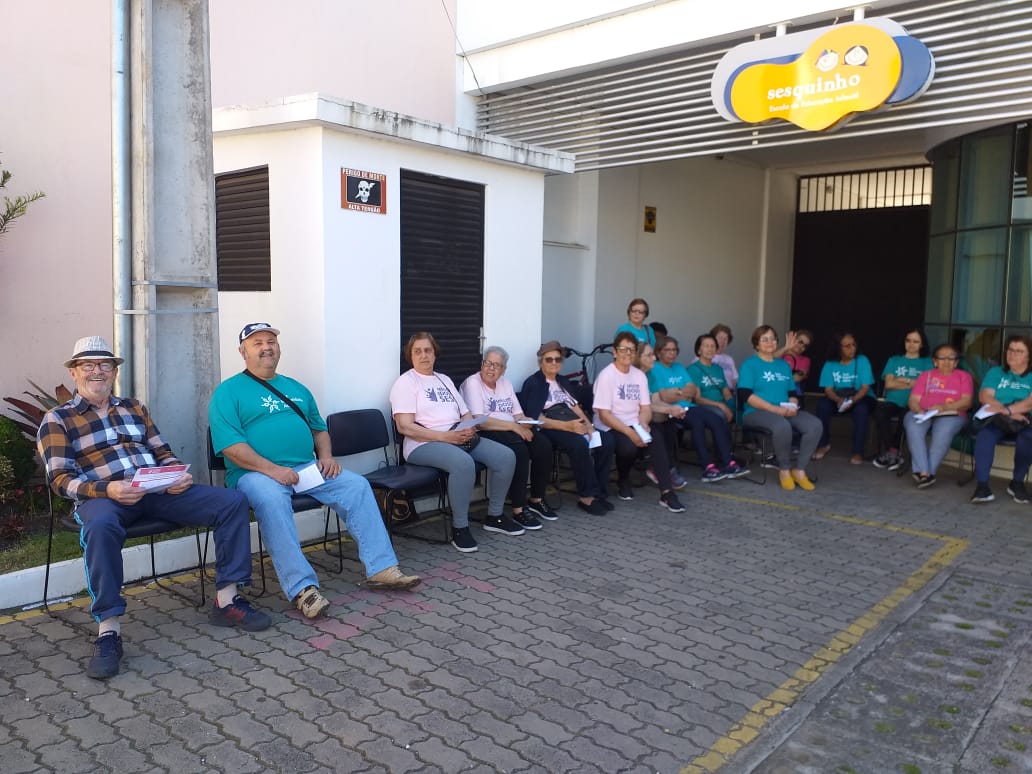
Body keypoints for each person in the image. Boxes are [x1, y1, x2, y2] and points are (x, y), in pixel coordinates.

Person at [37, 336, 271, 680]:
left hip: (156, 490)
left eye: (105, 364)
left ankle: (227, 601)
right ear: (74, 373)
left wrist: (176, 474)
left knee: (231, 502)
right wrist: (108, 489)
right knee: (100, 527)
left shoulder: (134, 407)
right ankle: (108, 631)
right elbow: (60, 479)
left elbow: (162, 451)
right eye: (88, 365)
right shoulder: (58, 419)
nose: (97, 371)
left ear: (114, 371)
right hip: (103, 498)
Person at [209, 323, 421, 621]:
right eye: (257, 343)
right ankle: (302, 589)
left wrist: (326, 456)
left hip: (304, 469)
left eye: (271, 341)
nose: (266, 347)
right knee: (272, 500)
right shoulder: (227, 392)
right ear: (243, 352)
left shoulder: (296, 388)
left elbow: (319, 430)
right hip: (255, 474)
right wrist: (273, 470)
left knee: (356, 485)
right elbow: (231, 446)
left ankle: (382, 568)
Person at [390, 332, 518, 552]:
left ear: (435, 353)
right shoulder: (406, 382)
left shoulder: (444, 379)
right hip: (423, 444)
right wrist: (444, 437)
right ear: (410, 355)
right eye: (417, 351)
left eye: (428, 350)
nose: (423, 355)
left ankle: (495, 516)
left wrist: (467, 428)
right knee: (463, 463)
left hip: (456, 437)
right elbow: (405, 427)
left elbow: (465, 412)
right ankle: (460, 528)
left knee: (506, 456)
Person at [460, 345, 558, 527]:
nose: (491, 369)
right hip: (487, 430)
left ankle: (536, 499)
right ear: (482, 364)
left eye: (496, 365)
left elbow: (517, 414)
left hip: (511, 428)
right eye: (487, 363)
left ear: (503, 370)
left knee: (543, 445)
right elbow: (479, 421)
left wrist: (526, 421)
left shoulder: (505, 384)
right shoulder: (472, 383)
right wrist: (514, 427)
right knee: (520, 451)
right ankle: (519, 509)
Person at [521, 340, 615, 516]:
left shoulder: (562, 381)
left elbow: (575, 407)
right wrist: (567, 426)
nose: (554, 363)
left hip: (572, 422)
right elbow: (535, 418)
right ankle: (586, 496)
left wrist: (588, 425)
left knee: (606, 440)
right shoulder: (534, 383)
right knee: (578, 444)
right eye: (549, 359)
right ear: (541, 362)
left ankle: (599, 493)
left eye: (557, 359)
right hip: (551, 426)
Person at [649, 335, 746, 483]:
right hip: (672, 410)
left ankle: (728, 463)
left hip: (689, 407)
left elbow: (692, 391)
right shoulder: (655, 369)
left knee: (716, 419)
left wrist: (677, 392)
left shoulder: (679, 367)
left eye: (674, 350)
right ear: (658, 352)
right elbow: (665, 397)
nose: (672, 353)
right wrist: (683, 393)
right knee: (698, 423)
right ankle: (707, 467)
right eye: (667, 350)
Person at [738, 325, 822, 491]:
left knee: (814, 425)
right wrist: (774, 409)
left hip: (784, 410)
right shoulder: (750, 364)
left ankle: (799, 470)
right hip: (756, 412)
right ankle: (784, 470)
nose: (770, 342)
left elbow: (792, 392)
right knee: (781, 425)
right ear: (756, 344)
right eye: (765, 339)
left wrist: (793, 405)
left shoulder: (783, 365)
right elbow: (745, 395)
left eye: (773, 338)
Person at [593, 331, 655, 502]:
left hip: (634, 421)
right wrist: (630, 433)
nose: (628, 353)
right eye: (623, 349)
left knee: (657, 436)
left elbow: (646, 407)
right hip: (610, 424)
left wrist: (643, 423)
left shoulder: (639, 375)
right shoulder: (607, 376)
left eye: (632, 350)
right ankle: (624, 479)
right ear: (614, 352)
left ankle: (666, 485)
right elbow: (604, 415)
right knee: (628, 446)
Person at [970, 334, 1032, 504]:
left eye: (1019, 351)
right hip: (998, 418)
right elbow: (985, 396)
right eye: (1010, 350)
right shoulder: (996, 372)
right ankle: (982, 486)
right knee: (985, 436)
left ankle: (1017, 483)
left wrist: (1010, 410)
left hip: (1024, 419)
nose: (1012, 354)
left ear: (1029, 356)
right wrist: (1007, 412)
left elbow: (1029, 402)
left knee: (1028, 438)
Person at [902, 343, 973, 489]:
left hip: (952, 414)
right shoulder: (925, 376)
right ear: (935, 361)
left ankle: (925, 473)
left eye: (951, 358)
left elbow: (967, 402)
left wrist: (944, 407)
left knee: (942, 432)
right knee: (913, 426)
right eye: (942, 358)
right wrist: (919, 410)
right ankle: (925, 473)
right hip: (924, 412)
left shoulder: (964, 377)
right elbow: (913, 400)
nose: (947, 361)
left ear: (956, 362)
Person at [631, 341, 686, 512]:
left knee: (669, 424)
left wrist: (673, 409)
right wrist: (669, 409)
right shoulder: (631, 376)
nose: (654, 358)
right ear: (638, 358)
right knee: (657, 434)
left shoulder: (651, 374)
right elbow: (642, 406)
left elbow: (654, 401)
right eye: (649, 355)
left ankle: (664, 469)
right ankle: (666, 489)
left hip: (646, 417)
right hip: (631, 419)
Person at [873, 329, 932, 470]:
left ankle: (892, 453)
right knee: (880, 413)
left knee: (904, 417)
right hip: (893, 401)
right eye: (908, 340)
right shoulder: (894, 360)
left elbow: (927, 386)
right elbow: (889, 384)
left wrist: (901, 380)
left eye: (916, 341)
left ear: (922, 344)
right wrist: (912, 382)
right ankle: (893, 451)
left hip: (915, 403)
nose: (911, 344)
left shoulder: (927, 362)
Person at [814, 331, 876, 464]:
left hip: (861, 397)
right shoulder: (830, 363)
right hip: (838, 397)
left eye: (853, 345)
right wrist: (838, 400)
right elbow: (828, 389)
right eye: (847, 346)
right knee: (822, 406)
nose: (852, 348)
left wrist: (853, 400)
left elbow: (865, 387)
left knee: (861, 410)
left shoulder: (862, 360)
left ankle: (858, 451)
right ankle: (823, 444)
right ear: (838, 348)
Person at [687, 333, 735, 423]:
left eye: (713, 346)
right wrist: (719, 405)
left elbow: (726, 393)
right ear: (699, 350)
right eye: (706, 346)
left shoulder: (718, 369)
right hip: (704, 406)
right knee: (721, 414)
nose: (710, 349)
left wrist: (732, 407)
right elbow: (697, 399)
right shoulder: (693, 369)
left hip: (721, 404)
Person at [780, 328, 813, 399]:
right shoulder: (780, 354)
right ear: (793, 338)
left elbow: (797, 378)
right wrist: (785, 348)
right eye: (800, 341)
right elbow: (766, 360)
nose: (801, 346)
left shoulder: (805, 360)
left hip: (792, 394)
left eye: (805, 346)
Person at [710, 323, 739, 389]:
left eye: (725, 339)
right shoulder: (702, 357)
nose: (722, 341)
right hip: (711, 392)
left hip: (729, 392)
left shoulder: (729, 359)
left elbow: (735, 380)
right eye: (720, 338)